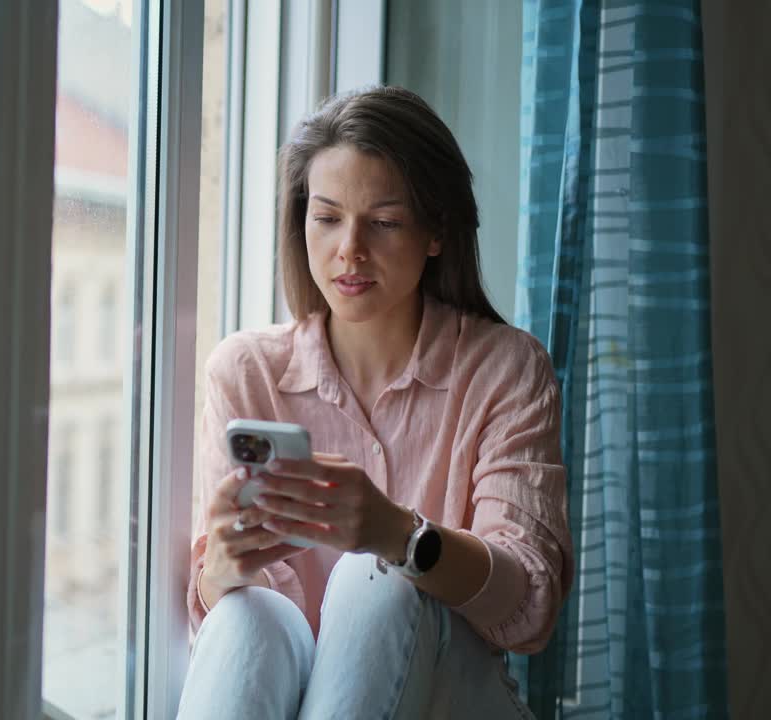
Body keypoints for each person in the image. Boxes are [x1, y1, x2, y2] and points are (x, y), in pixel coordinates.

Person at [177, 86, 573, 720]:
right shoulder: (246, 371)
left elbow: (528, 607)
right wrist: (219, 571)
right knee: (247, 614)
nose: (350, 250)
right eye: (328, 217)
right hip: (297, 688)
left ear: (436, 230)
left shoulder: (506, 368)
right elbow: (229, 632)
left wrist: (398, 535)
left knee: (375, 584)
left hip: (453, 698)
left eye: (383, 222)